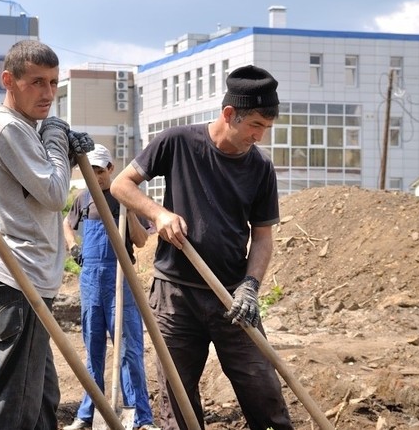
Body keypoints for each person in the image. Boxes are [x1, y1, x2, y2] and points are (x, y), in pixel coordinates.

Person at [111, 65, 293, 430]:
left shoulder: (259, 168)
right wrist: (159, 214)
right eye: (255, 125)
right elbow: (121, 185)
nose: (259, 136)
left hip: (230, 297)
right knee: (178, 398)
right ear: (229, 115)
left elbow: (262, 237)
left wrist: (251, 287)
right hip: (175, 294)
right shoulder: (178, 142)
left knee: (263, 388)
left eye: (266, 128)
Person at [0, 39, 94, 430]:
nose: (47, 94)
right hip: (16, 281)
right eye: (37, 82)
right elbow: (56, 192)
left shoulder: (28, 129)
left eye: (54, 83)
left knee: (41, 400)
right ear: (9, 80)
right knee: (15, 407)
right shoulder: (9, 128)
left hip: (30, 281)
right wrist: (57, 136)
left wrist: (51, 136)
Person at [61, 144, 159, 430]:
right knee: (93, 350)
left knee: (129, 349)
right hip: (91, 280)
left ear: (111, 169)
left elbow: (141, 242)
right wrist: (73, 248)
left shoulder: (124, 196)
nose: (97, 177)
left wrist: (128, 213)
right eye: (90, 171)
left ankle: (139, 417)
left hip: (120, 280)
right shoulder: (83, 199)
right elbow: (67, 225)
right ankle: (88, 413)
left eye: (101, 171)